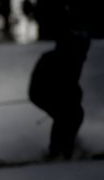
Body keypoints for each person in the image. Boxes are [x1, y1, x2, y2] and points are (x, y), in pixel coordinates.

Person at [28, 30, 91, 160]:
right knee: (63, 115)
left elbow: (72, 83)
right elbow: (43, 82)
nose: (85, 53)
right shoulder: (54, 58)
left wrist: (76, 94)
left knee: (75, 114)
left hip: (60, 94)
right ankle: (56, 150)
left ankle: (69, 145)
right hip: (41, 93)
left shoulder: (76, 59)